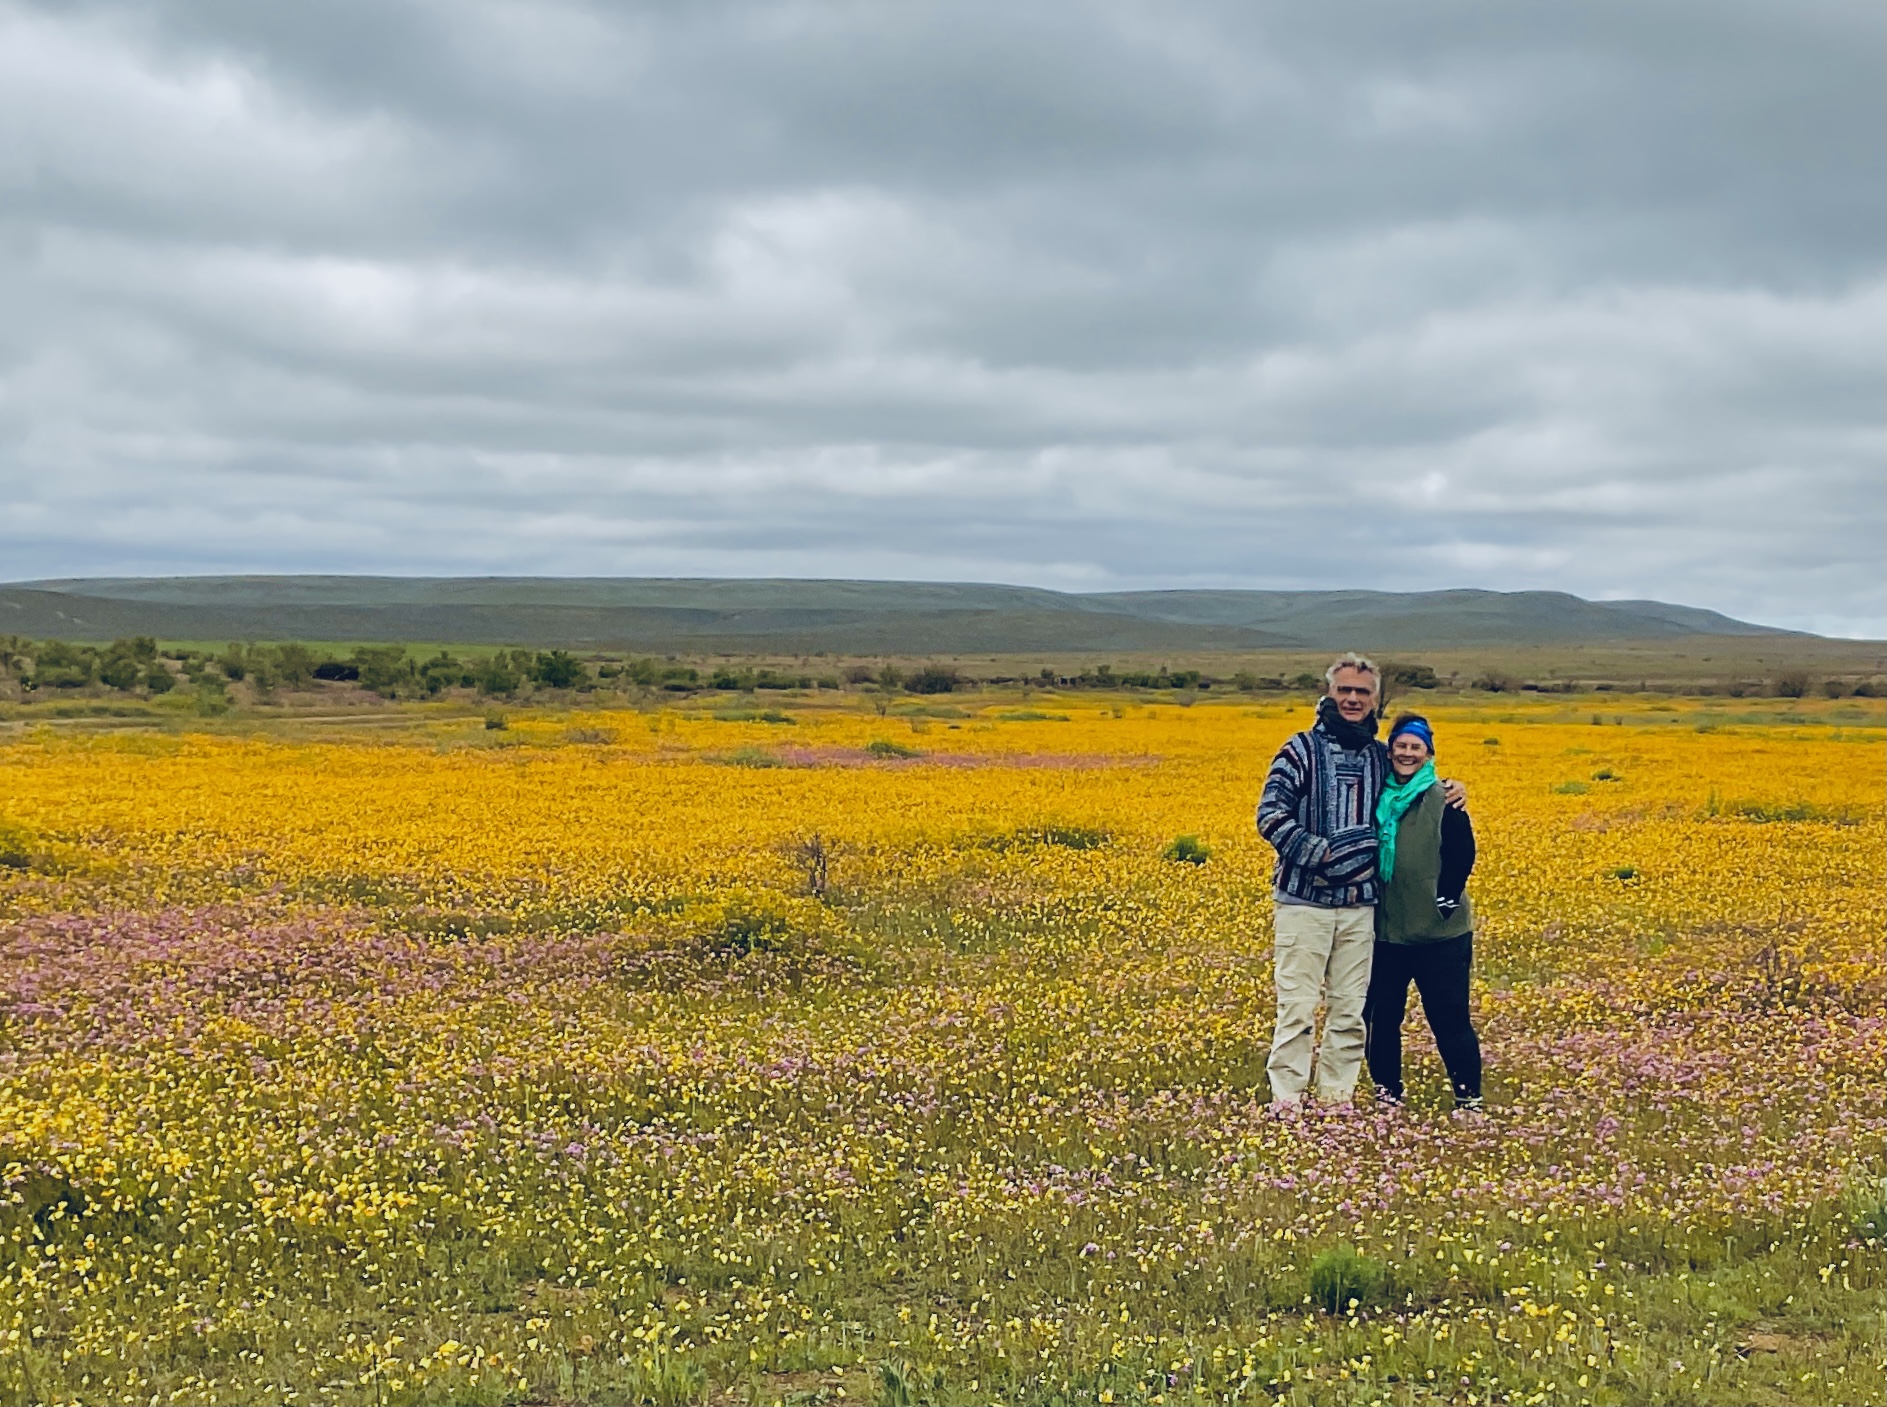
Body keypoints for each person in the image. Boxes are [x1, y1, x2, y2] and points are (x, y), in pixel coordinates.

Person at [1363, 713, 1484, 1111]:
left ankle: (1469, 1100)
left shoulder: (1444, 796)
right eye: (1401, 745)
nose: (1407, 753)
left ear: (1428, 753)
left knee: (1450, 1021)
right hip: (1387, 933)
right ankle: (1387, 1097)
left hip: (1441, 934)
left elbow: (1461, 852)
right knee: (1381, 1021)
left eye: (1416, 747)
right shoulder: (1373, 795)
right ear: (1389, 750)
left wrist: (1447, 896)